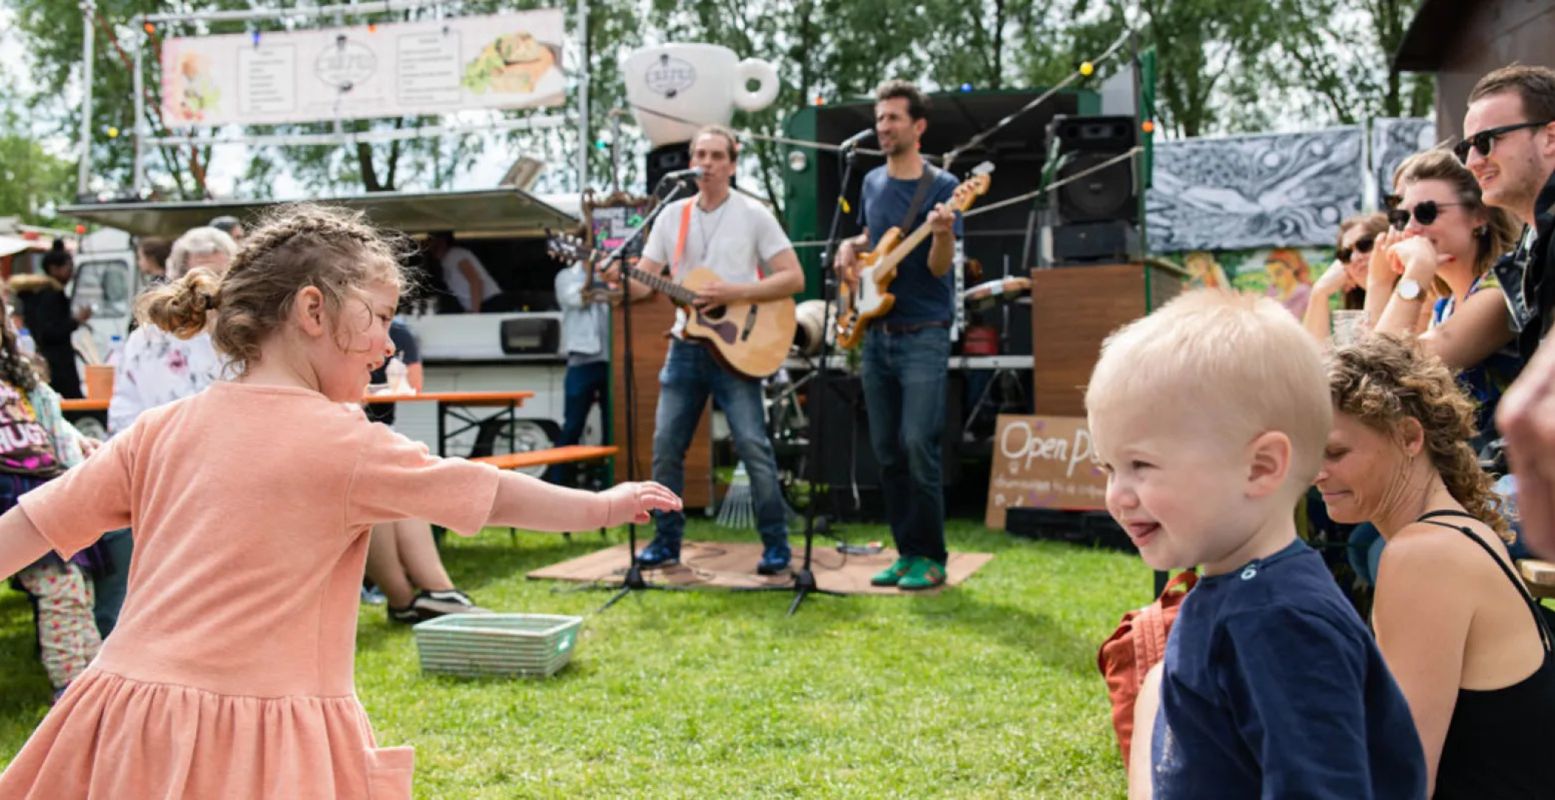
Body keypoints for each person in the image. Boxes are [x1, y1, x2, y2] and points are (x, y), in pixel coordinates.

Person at [0, 203, 680, 797]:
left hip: (123, 719)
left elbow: (31, 524)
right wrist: (599, 506)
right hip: (254, 738)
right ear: (313, 310)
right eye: (381, 317)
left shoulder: (158, 429)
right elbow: (483, 492)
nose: (388, 345)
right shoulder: (343, 441)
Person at [1086, 290, 1426, 798]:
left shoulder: (1280, 622)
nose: (1117, 496)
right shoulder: (1237, 590)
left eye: (1141, 466)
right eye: (1109, 468)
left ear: (1261, 467)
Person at [1317, 334, 1555, 796]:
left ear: (1409, 436)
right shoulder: (1460, 533)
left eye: (1336, 452)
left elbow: (1400, 781)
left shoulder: (1423, 557)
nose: (1315, 473)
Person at [607, 124, 804, 575]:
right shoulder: (672, 214)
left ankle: (777, 546)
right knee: (665, 447)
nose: (707, 162)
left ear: (733, 165)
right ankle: (666, 542)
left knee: (754, 446)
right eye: (700, 154)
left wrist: (732, 293)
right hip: (686, 346)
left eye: (717, 155)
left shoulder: (754, 214)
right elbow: (645, 282)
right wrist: (619, 279)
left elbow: (793, 278)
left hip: (738, 348)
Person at [835, 80, 961, 590]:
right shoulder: (869, 182)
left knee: (917, 444)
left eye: (893, 119)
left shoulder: (944, 187)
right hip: (877, 331)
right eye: (879, 118)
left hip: (924, 332)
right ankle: (907, 552)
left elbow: (938, 267)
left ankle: (932, 556)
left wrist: (945, 232)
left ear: (918, 126)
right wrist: (851, 246)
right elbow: (871, 235)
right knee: (887, 450)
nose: (883, 127)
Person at [98, 228, 239, 638]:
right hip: (161, 474)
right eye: (200, 274)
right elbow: (123, 410)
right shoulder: (145, 338)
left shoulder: (249, 335)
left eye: (219, 273)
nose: (207, 286)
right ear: (178, 276)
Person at [1367, 149, 1524, 442]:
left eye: (1427, 212)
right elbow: (1364, 367)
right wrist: (1378, 281)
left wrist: (1418, 270)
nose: (1412, 227)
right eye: (1402, 216)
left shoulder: (1502, 289)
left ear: (1478, 215)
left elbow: (1385, 369)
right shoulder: (1445, 306)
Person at [0, 289, 101, 703]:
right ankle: (76, 690)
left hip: (39, 485)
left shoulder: (16, 374)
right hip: (15, 493)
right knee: (63, 586)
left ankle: (84, 689)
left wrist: (81, 448)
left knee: (72, 588)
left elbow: (53, 423)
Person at [359, 318, 486, 624]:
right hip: (350, 438)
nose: (390, 345)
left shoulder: (399, 332)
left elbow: (413, 384)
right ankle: (410, 597)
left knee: (399, 482)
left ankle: (432, 591)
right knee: (384, 482)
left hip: (371, 433)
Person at [546, 251, 611, 487]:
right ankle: (559, 482)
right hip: (582, 359)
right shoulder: (566, 276)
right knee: (573, 424)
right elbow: (579, 298)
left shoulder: (613, 273)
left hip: (612, 360)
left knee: (612, 425)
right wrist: (596, 275)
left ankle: (608, 480)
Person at [11, 240, 90, 398]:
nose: (71, 273)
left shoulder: (36, 295)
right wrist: (75, 322)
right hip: (58, 364)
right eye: (68, 268)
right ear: (54, 269)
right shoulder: (51, 295)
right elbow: (49, 331)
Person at [1303, 213, 1387, 344]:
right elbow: (1315, 359)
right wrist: (1319, 292)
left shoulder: (1412, 291)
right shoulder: (1353, 319)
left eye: (1364, 245)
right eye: (1346, 254)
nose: (1355, 258)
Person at [426, 231, 511, 313]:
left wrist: (475, 311)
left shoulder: (455, 255)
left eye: (431, 241)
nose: (428, 245)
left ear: (442, 241)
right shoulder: (446, 261)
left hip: (489, 303)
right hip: (480, 305)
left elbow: (475, 281)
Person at [1262, 248, 1313, 318]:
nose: (1274, 280)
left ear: (1293, 268)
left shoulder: (1305, 292)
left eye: (1278, 273)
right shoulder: (1272, 290)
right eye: (1270, 275)